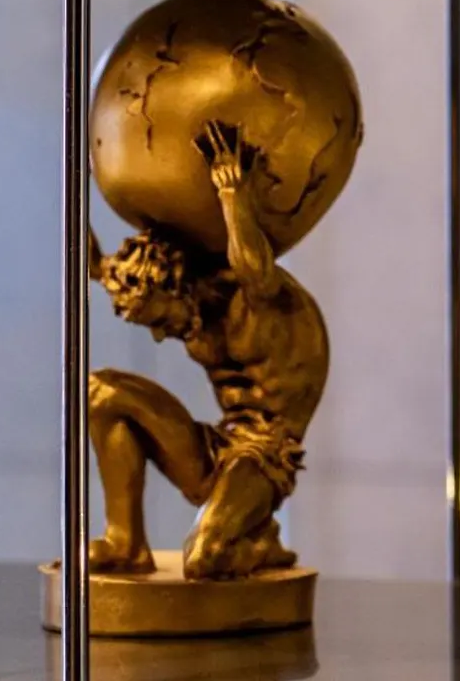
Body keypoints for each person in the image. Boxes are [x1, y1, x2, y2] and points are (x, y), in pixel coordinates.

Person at [86, 122, 330, 581]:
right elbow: (101, 268)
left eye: (161, 322)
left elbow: (255, 269)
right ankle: (125, 541)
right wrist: (75, 184)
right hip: (216, 447)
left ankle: (260, 543)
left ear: (178, 288)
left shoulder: (256, 303)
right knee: (98, 391)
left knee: (203, 560)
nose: (161, 337)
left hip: (264, 458)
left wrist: (232, 194)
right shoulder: (184, 301)